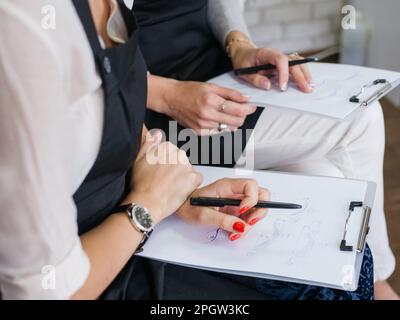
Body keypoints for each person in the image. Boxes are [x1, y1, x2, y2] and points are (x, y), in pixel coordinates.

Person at [0, 0, 374, 299]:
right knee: (360, 123)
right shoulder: (29, 31)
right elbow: (44, 289)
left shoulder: (109, 12)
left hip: (144, 195)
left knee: (336, 222)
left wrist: (181, 193)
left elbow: (117, 113)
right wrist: (147, 207)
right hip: (116, 243)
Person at [133, 0, 398, 299]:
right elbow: (95, 59)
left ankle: (356, 275)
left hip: (218, 75)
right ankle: (376, 279)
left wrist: (239, 44)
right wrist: (167, 96)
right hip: (151, 114)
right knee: (362, 118)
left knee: (324, 173)